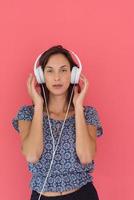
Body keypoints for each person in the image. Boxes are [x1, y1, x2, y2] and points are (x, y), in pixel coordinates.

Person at [12, 45, 103, 200]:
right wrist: (39, 105)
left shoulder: (88, 114)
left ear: (74, 74)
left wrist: (79, 107)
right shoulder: (27, 114)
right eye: (50, 71)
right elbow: (32, 155)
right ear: (41, 76)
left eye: (63, 70)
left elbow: (86, 157)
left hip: (83, 194)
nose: (57, 77)